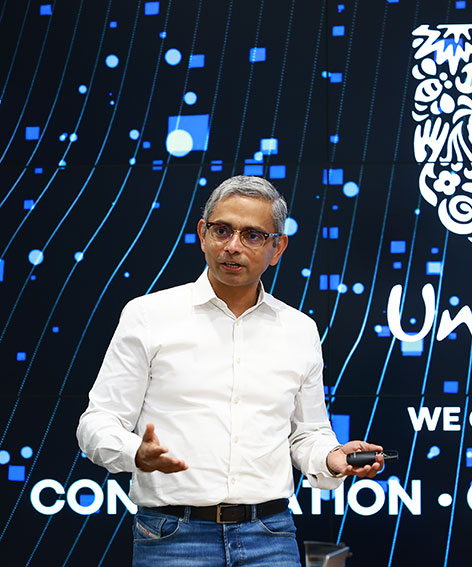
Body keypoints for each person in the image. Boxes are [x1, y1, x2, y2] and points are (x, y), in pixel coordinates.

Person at [77, 175, 383, 567]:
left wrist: (331, 458)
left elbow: (307, 433)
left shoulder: (299, 329)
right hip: (173, 537)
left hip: (270, 536)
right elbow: (97, 423)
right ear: (202, 234)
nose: (233, 246)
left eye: (253, 235)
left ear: (277, 248)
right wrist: (136, 453)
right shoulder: (148, 316)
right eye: (222, 230)